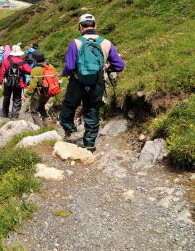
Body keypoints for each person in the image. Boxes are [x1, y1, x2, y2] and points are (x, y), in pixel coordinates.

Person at [59, 14, 125, 152]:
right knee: (92, 110)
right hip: (97, 81)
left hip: (77, 81)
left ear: (80, 27)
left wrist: (64, 73)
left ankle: (71, 131)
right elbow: (119, 65)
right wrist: (108, 67)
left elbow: (70, 67)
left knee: (68, 107)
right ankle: (89, 144)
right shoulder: (106, 43)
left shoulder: (75, 43)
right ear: (95, 26)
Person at [0, 43, 32, 118]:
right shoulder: (22, 61)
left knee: (6, 97)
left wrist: (0, 82)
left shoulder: (6, 61)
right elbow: (30, 71)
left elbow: (1, 72)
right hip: (19, 83)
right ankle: (14, 116)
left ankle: (5, 113)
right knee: (17, 99)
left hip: (7, 83)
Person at [25, 51, 52, 126]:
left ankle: (40, 128)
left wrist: (25, 95)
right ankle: (47, 124)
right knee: (41, 107)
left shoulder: (36, 69)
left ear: (35, 60)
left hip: (39, 93)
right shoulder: (50, 66)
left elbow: (33, 85)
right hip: (49, 92)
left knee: (34, 111)